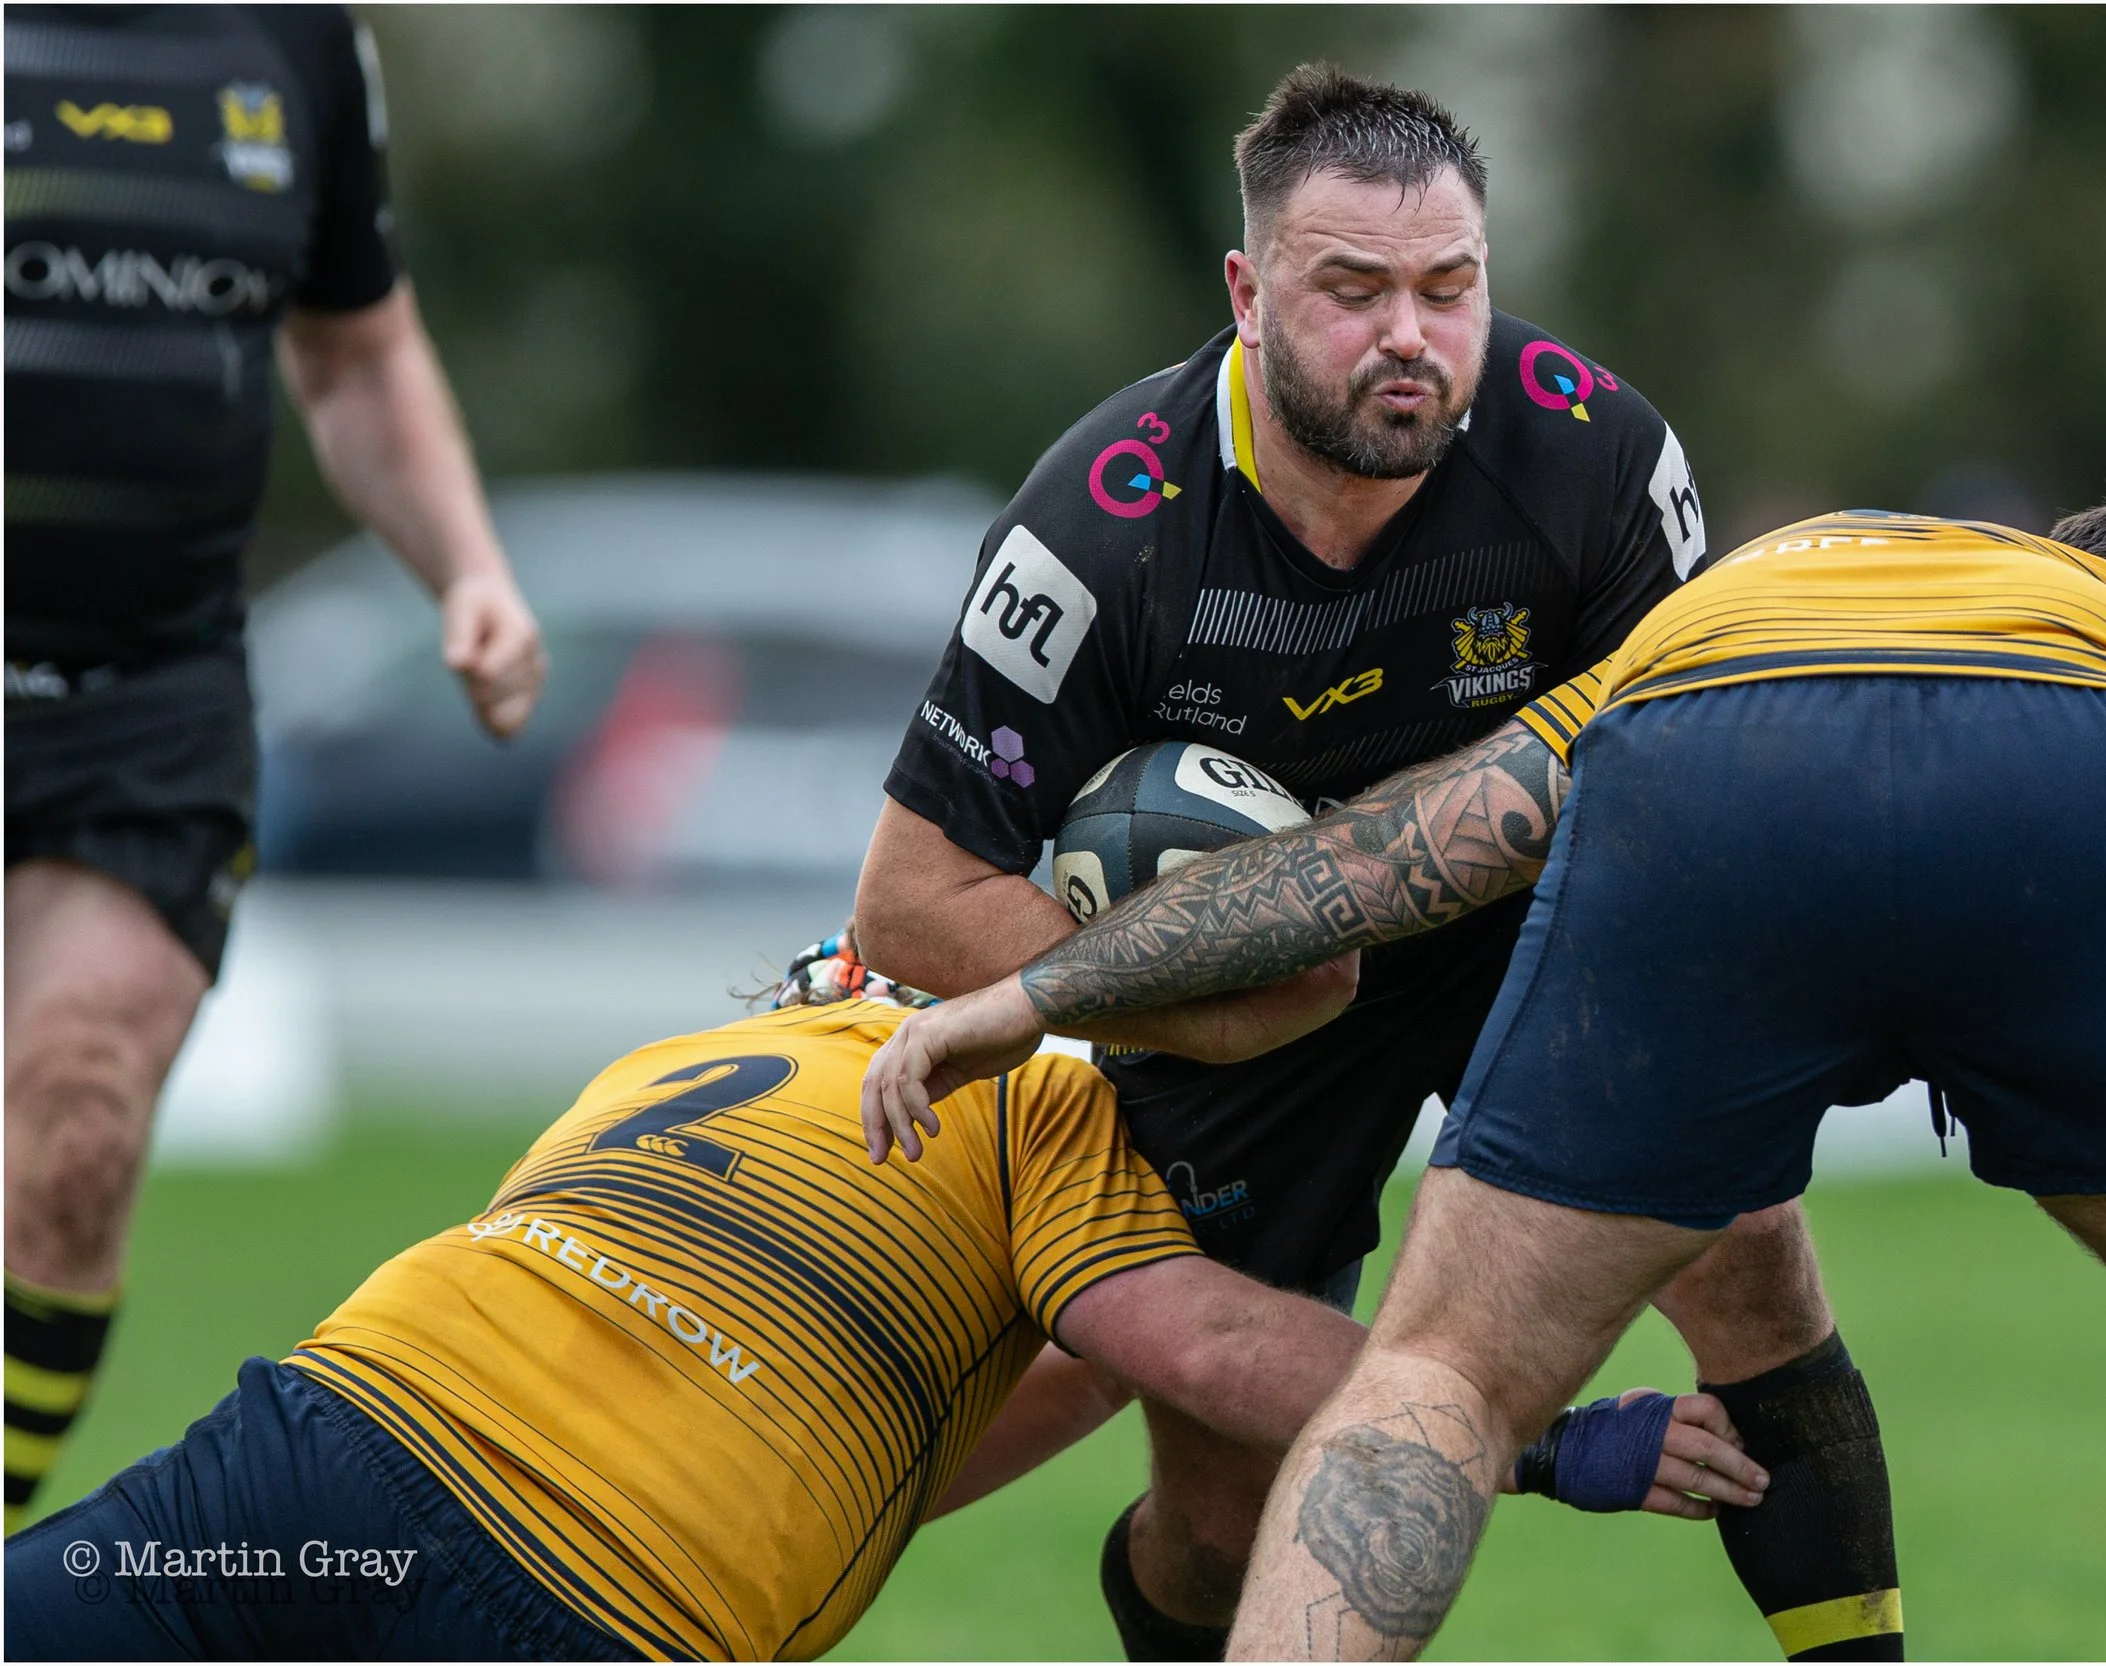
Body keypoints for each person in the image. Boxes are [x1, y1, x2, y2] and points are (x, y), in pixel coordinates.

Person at [864, 493, 2106, 1662]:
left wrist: (1035, 991)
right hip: (2081, 765)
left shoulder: (1729, 604)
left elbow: (1382, 865)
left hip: (1716, 743)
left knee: (1438, 1373)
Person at [851, 63, 1903, 1662]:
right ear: (1250, 288)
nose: (1409, 336)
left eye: (1449, 288)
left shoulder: (1596, 458)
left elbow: (1698, 801)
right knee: (1224, 1522)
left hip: (1524, 933)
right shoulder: (1102, 525)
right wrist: (1198, 1003)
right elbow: (909, 897)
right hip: (1235, 997)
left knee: (1747, 1231)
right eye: (1351, 290)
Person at [3, 962, 1765, 1661]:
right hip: (587, 1599)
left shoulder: (699, 1047)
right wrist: (1533, 1436)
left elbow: (885, 1428)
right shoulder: (1050, 1106)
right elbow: (1185, 1345)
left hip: (322, 1452)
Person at [4, 4, 546, 1532]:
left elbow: (358, 352)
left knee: (81, 1109)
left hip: (147, 702)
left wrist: (467, 567)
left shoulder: (295, 43)